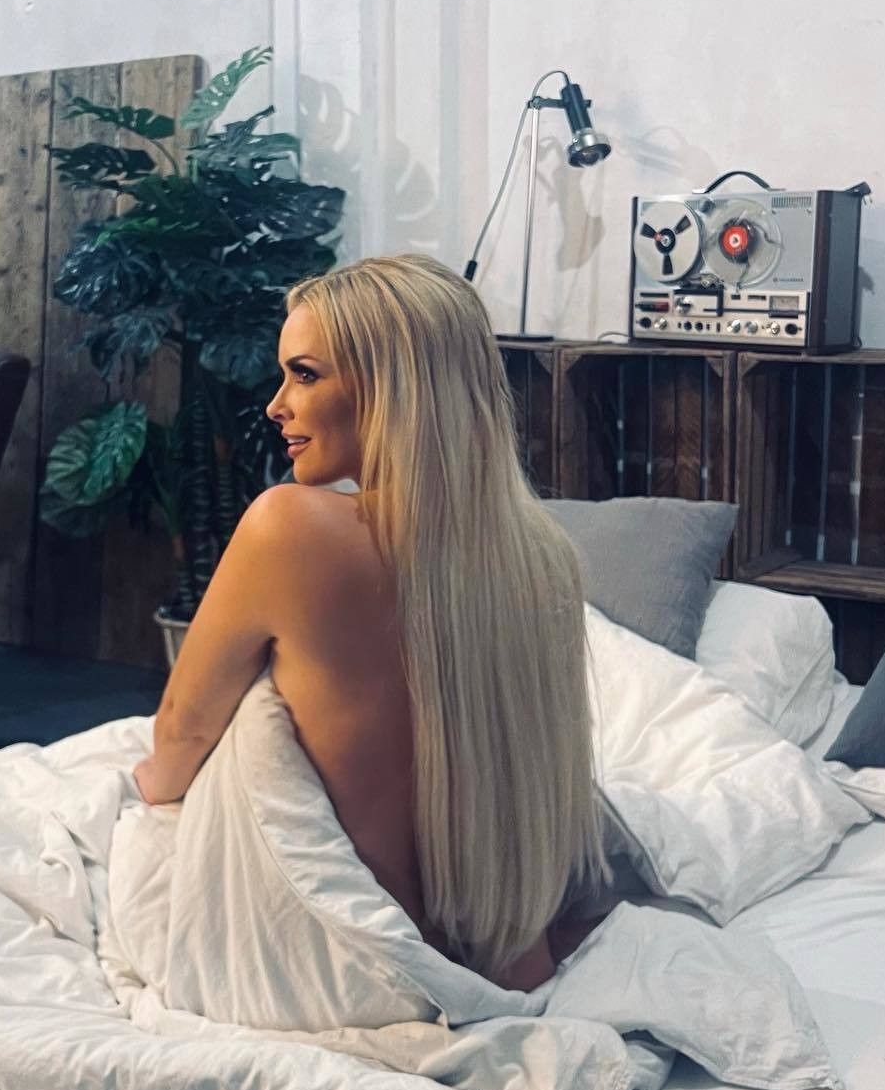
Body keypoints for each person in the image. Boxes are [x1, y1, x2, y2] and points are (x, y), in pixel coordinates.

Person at [131, 254, 609, 991]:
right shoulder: (545, 558)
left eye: (305, 374)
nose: (276, 405)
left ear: (394, 386)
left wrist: (147, 797)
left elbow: (181, 736)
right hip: (506, 956)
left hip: (341, 968)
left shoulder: (289, 528)